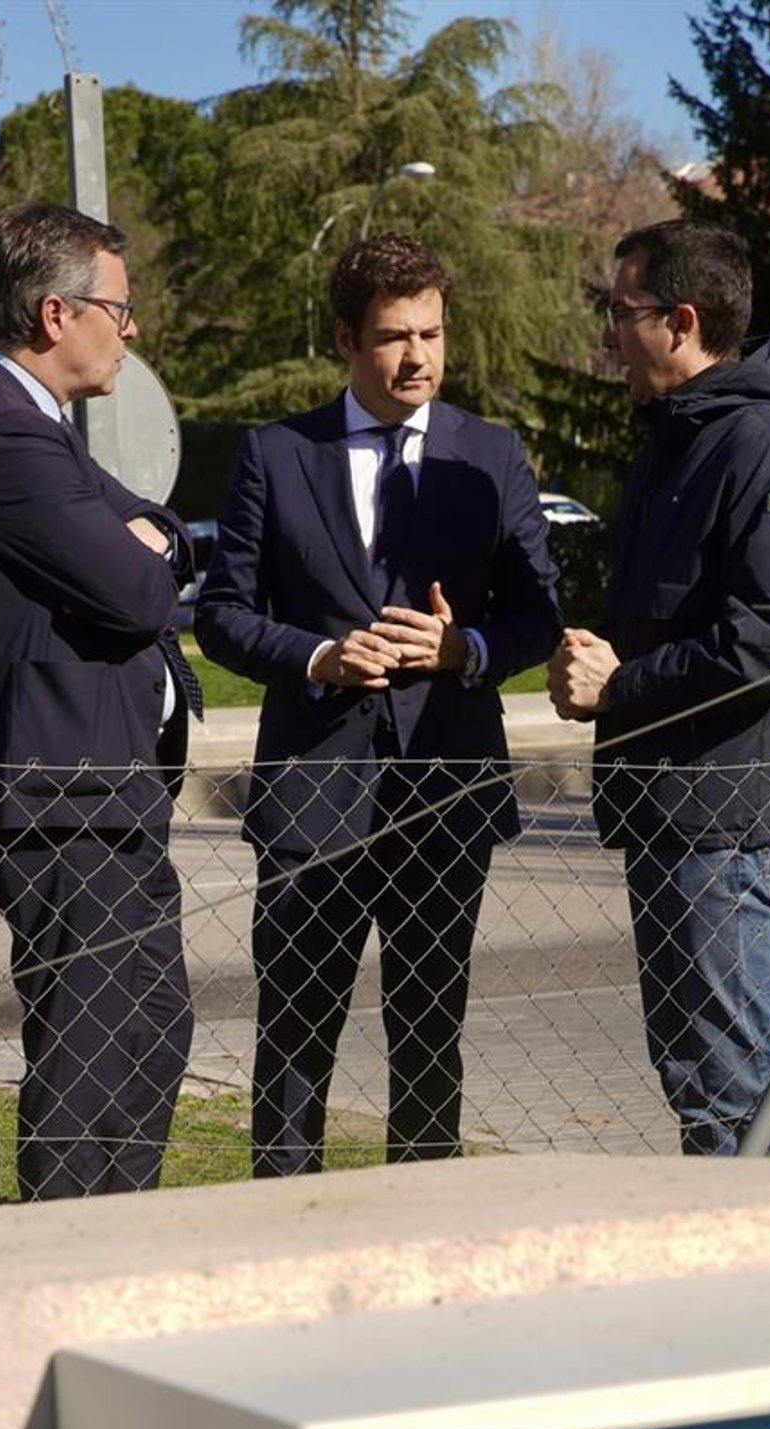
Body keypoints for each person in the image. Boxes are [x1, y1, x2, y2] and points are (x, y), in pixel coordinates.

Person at [196, 233, 559, 1173]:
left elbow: (538, 615)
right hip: (313, 796)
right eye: (395, 336)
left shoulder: (491, 454)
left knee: (431, 1038)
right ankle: (287, 1224)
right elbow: (223, 615)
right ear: (346, 340)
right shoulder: (277, 455)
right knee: (294, 1042)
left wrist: (464, 649)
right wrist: (318, 656)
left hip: (446, 794)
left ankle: (424, 1231)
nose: (417, 358)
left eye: (432, 334)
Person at [0, 200, 197, 1201]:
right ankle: (64, 1252)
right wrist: (142, 555)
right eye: (118, 308)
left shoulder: (31, 422)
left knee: (149, 1030)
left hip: (100, 791)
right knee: (91, 1059)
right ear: (55, 312)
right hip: (60, 795)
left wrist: (149, 545)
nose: (131, 328)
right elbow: (140, 590)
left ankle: (113, 1243)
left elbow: (156, 529)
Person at [548, 220, 770, 1157]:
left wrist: (621, 684)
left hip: (723, 825)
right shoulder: (679, 441)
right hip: (675, 816)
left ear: (680, 321)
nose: (608, 334)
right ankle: (751, 1250)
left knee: (737, 1098)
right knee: (708, 1088)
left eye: (620, 311)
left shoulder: (763, 445)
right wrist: (600, 668)